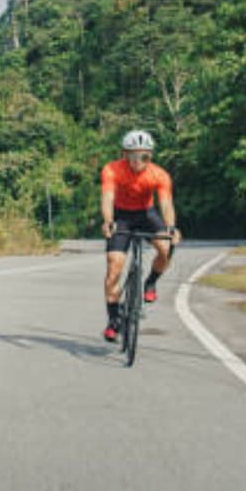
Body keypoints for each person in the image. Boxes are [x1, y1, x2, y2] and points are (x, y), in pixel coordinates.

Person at [100, 129, 182, 342]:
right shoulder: (112, 170)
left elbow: (165, 203)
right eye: (132, 155)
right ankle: (114, 320)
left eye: (143, 155)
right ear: (124, 154)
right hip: (122, 216)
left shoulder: (159, 175)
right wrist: (108, 221)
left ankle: (151, 282)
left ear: (150, 156)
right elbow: (107, 198)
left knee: (165, 249)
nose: (138, 160)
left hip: (147, 214)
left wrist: (171, 227)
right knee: (113, 266)